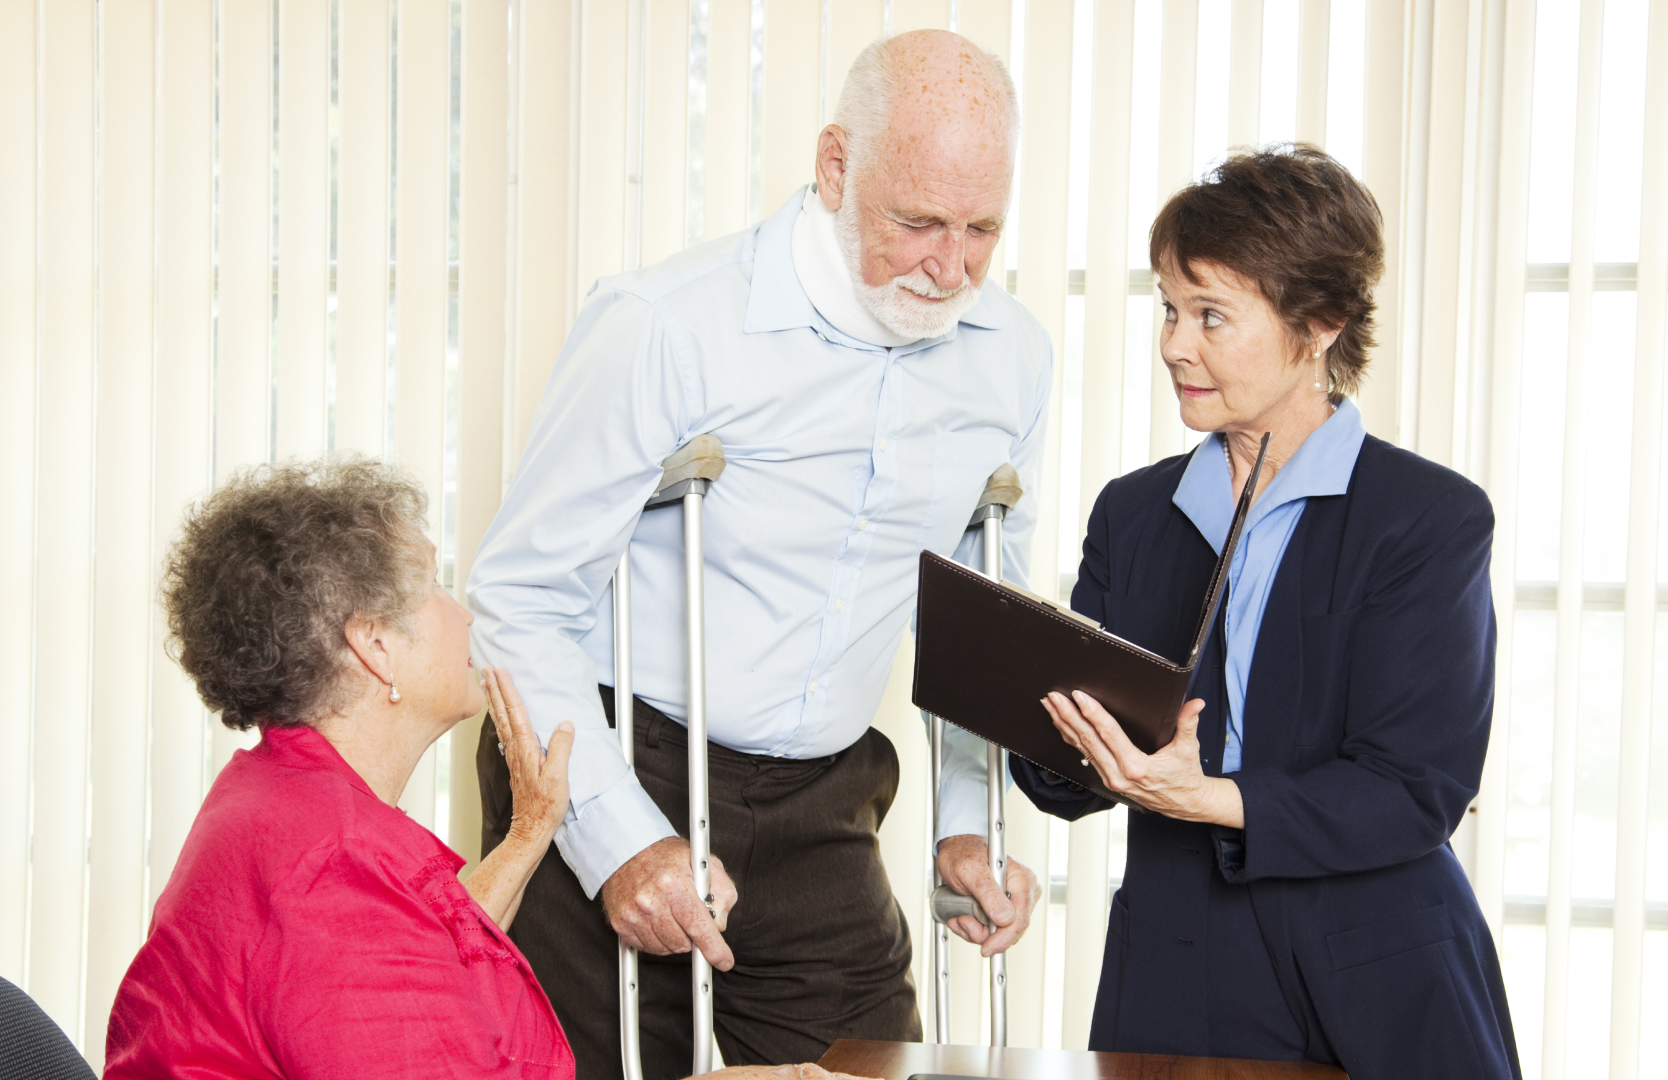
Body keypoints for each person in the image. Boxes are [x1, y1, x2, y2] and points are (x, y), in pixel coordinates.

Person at [467, 30, 1049, 1080]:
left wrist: (966, 824)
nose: (949, 266)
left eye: (981, 230)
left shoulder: (1009, 359)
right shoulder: (667, 326)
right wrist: (615, 843)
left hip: (824, 796)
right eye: (917, 222)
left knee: (868, 1065)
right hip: (617, 755)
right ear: (834, 167)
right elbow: (519, 599)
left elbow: (981, 623)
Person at [1015, 145, 1520, 1077]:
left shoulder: (1427, 518)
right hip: (1170, 970)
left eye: (1212, 315)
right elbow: (1062, 775)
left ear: (1320, 323)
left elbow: (1415, 789)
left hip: (1369, 975)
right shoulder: (1134, 513)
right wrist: (1041, 713)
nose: (1174, 344)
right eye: (1169, 309)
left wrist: (1209, 798)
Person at [105, 459, 863, 1080]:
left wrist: (532, 830)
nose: (463, 614)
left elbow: (423, 956)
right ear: (375, 645)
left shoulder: (285, 796)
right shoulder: (331, 865)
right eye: (433, 586)